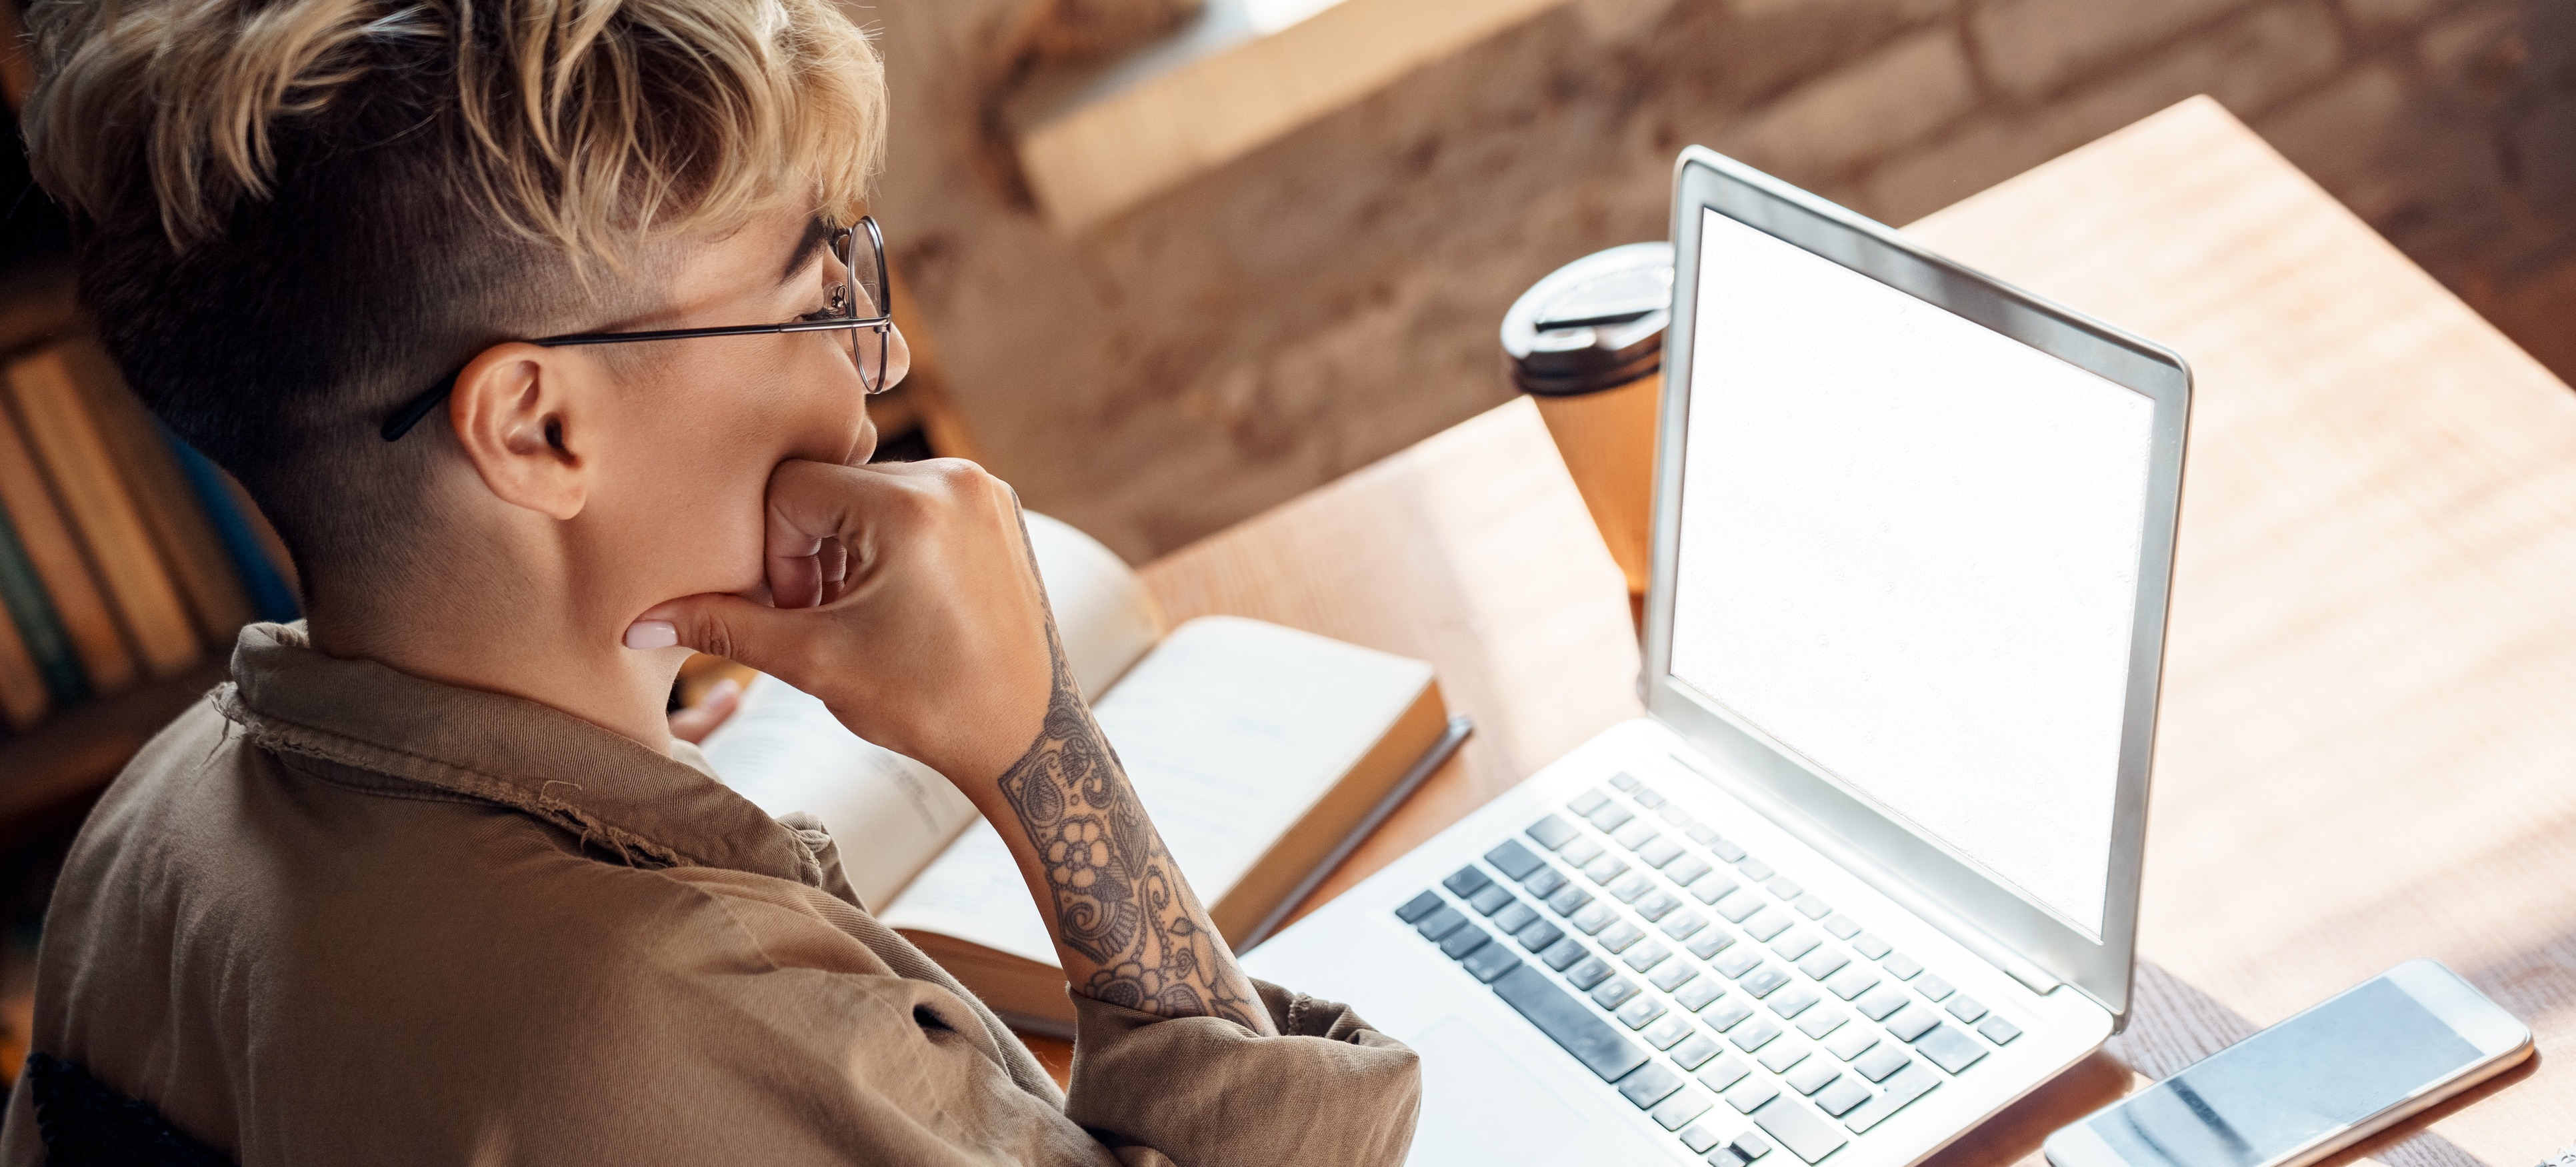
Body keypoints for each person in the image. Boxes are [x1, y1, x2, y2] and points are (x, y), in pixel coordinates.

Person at [1, 0, 1421, 1162]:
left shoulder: (154, 820)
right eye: (814, 302)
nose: (880, 363)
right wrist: (1041, 745)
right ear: (542, 429)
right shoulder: (690, 1022)